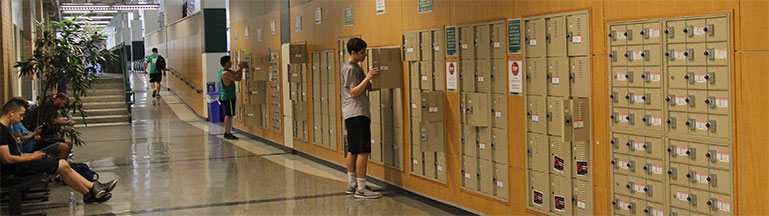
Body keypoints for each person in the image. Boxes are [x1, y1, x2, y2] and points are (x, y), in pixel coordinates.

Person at [0, 98, 117, 203]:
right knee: (62, 165)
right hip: (15, 169)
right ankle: (93, 188)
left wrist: (29, 155)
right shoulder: (2, 131)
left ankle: (90, 192)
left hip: (20, 163)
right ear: (11, 113)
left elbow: (13, 154)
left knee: (63, 164)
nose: (21, 119)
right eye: (20, 115)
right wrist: (30, 157)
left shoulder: (5, 129)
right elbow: (7, 159)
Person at [340, 38, 381, 199]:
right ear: (353, 53)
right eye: (362, 52)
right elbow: (354, 92)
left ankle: (352, 184)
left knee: (353, 150)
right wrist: (367, 77)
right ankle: (361, 187)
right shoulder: (350, 69)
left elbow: (366, 87)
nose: (365, 54)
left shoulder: (356, 67)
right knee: (362, 151)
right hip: (357, 113)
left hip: (354, 113)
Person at [218, 56, 246, 140]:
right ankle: (227, 132)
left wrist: (240, 68)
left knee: (229, 114)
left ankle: (227, 132)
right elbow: (237, 78)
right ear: (226, 63)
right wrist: (241, 69)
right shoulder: (225, 73)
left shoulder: (223, 71)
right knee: (228, 114)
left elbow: (235, 73)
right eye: (230, 61)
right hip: (228, 97)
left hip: (227, 96)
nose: (231, 63)